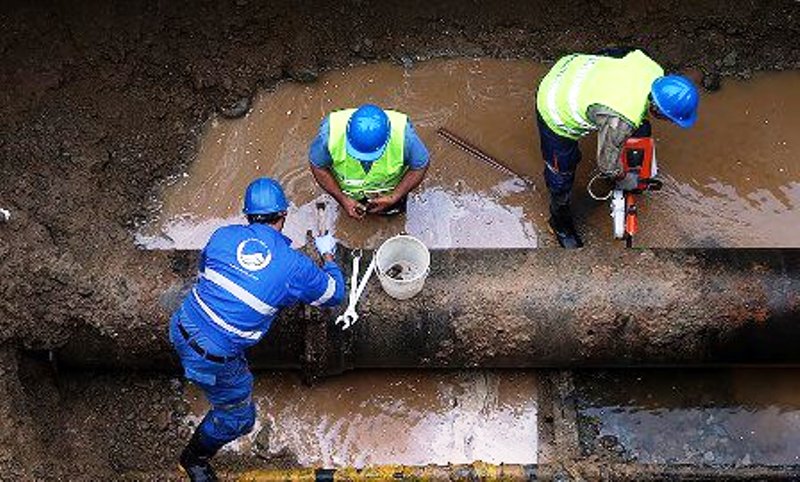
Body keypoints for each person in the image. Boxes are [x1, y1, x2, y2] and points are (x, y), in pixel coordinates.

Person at [170, 177, 344, 481]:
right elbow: (334, 295)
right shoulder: (293, 265)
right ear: (284, 216)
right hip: (212, 356)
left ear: (246, 214)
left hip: (180, 323)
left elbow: (205, 271)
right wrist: (328, 255)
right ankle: (194, 460)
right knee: (240, 419)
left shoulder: (222, 235)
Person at [535, 48, 699, 248]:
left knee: (638, 127)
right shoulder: (620, 119)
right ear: (657, 108)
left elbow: (616, 53)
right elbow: (606, 166)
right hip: (554, 100)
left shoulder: (652, 69)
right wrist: (626, 178)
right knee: (561, 173)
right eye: (670, 118)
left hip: (573, 67)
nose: (671, 122)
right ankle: (559, 223)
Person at [308, 104, 430, 218]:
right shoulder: (329, 136)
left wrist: (395, 196)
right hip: (349, 193)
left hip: (389, 192)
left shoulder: (405, 137)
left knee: (394, 215)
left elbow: (420, 166)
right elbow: (318, 167)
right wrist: (342, 198)